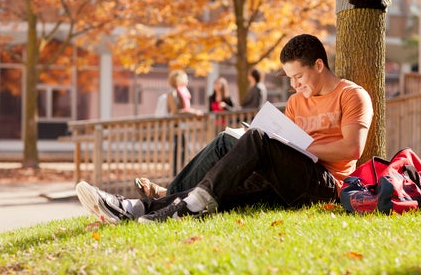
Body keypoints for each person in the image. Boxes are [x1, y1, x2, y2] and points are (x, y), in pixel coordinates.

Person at [76, 33, 373, 224]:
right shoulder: (296, 102)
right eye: (290, 79)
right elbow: (285, 150)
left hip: (324, 185)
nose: (295, 85)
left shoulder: (351, 94)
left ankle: (183, 201)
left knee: (257, 139)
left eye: (299, 76)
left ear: (319, 65)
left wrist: (296, 147)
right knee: (226, 143)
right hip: (286, 179)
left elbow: (352, 148)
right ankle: (134, 208)